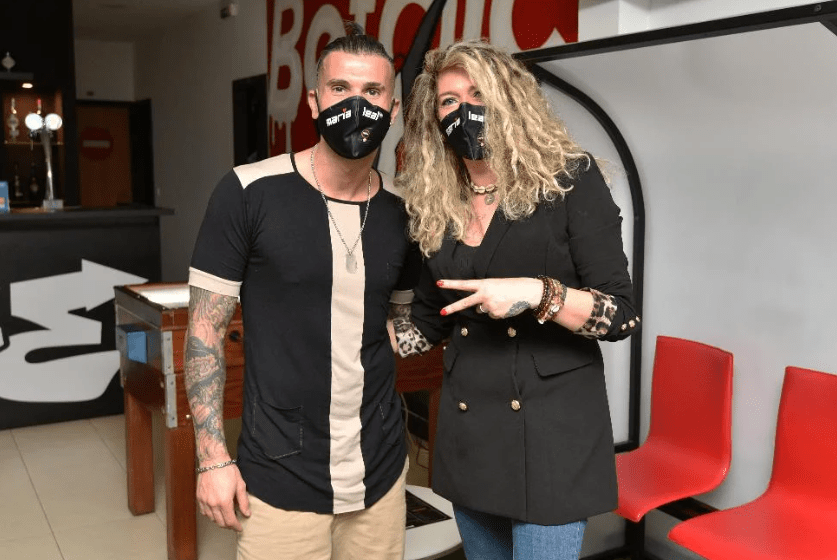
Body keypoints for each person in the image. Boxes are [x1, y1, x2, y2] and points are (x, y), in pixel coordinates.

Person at [391, 40, 641, 560]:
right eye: (449, 101)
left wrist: (536, 293)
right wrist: (359, 330)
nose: (463, 110)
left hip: (552, 434)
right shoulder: (436, 202)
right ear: (434, 118)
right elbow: (428, 323)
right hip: (471, 432)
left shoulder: (569, 180)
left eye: (477, 94)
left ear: (510, 100)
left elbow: (619, 315)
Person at [185, 23, 417, 560]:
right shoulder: (248, 191)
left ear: (393, 110)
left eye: (373, 92)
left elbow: (402, 321)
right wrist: (212, 458)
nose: (356, 105)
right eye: (340, 88)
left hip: (380, 472)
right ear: (314, 101)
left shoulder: (405, 209)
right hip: (279, 474)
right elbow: (203, 334)